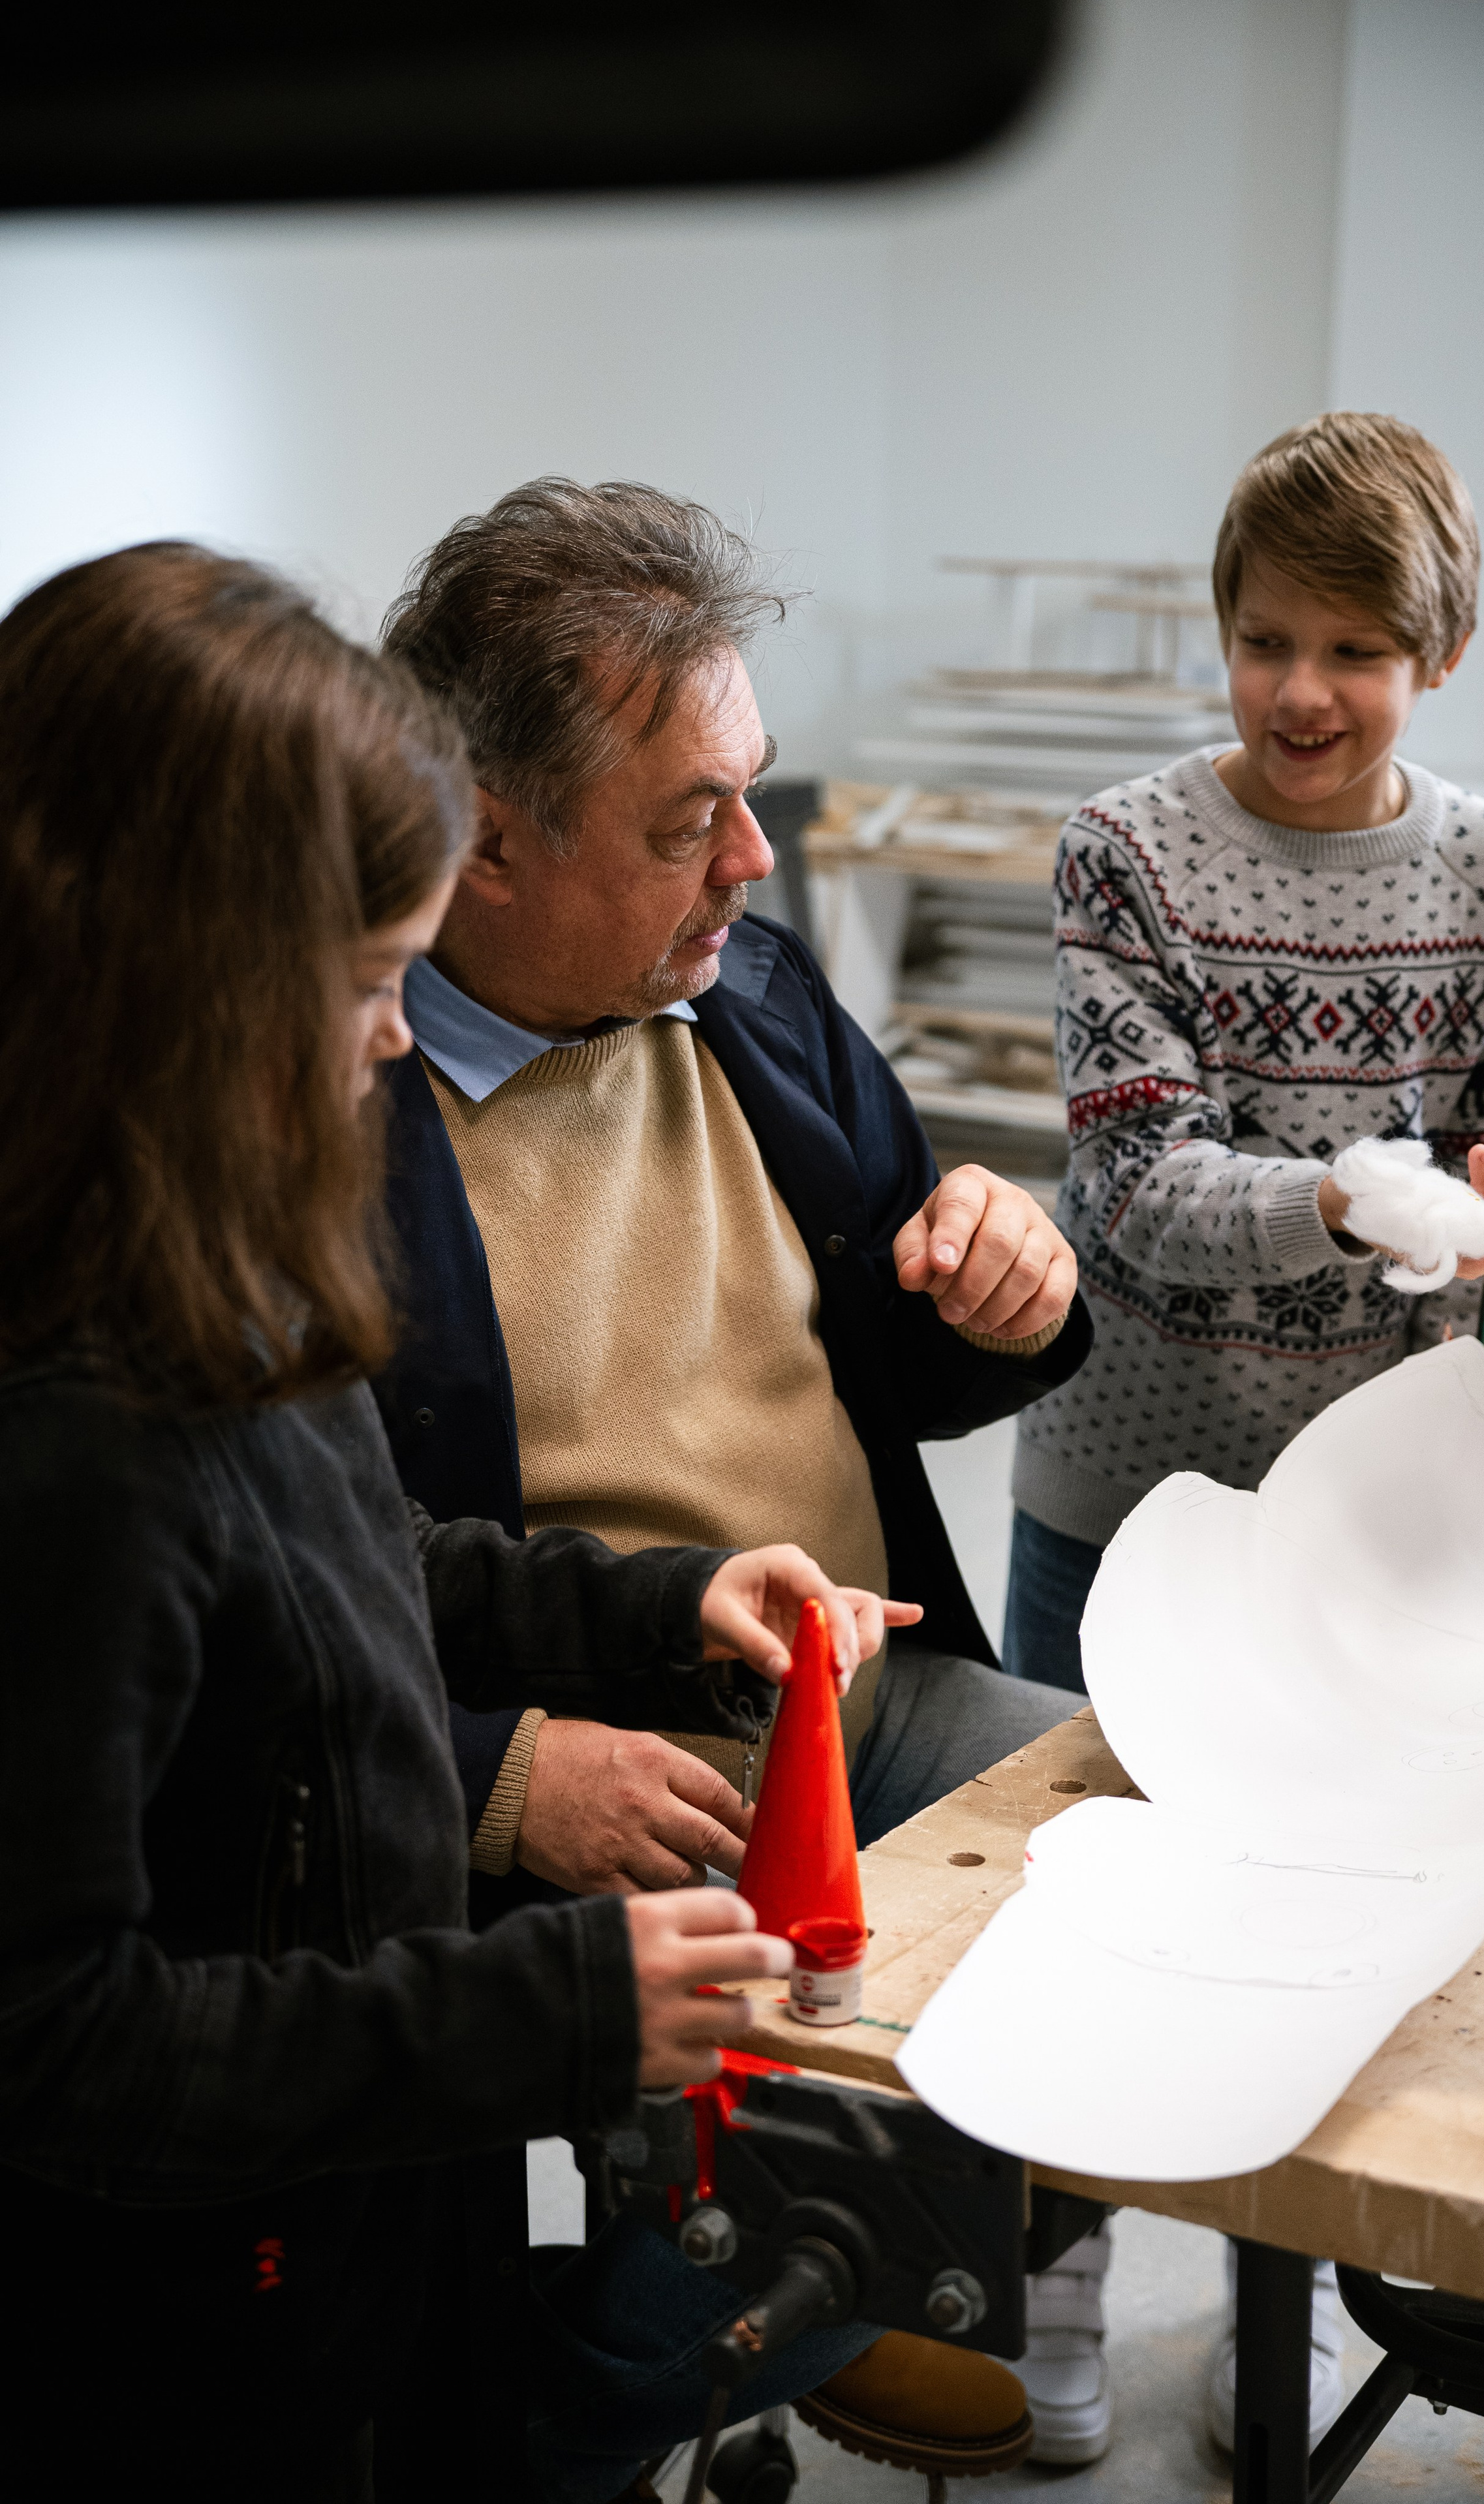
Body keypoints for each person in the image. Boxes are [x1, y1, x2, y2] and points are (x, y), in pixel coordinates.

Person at [0, 543, 906, 2494]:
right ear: (162, 982)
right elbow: (60, 2042)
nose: (398, 1037)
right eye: (357, 986)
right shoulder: (68, 1434)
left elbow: (355, 1564)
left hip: (361, 2200)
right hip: (191, 2322)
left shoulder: (212, 1230)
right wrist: (554, 2004)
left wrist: (652, 1606)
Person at [373, 478, 1097, 2465]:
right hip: (610, 1773)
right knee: (798, 2126)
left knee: (1168, 1896)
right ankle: (612, 2402)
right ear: (484, 843)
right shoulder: (331, 1107)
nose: (754, 860)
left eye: (751, 791)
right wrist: (502, 1771)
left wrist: (1004, 1293)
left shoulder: (744, 992)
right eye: (689, 817)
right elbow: (290, 1572)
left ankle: (811, 2282)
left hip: (863, 1688)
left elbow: (901, 1359)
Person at [1006, 410, 1484, 2451]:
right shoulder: (1123, 851)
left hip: (1364, 1518)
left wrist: (1474, 1241)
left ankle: (1275, 2293)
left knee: (1316, 1929)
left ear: (1439, 654)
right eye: (1263, 642)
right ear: (1218, 631)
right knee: (1088, 1910)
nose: (1301, 692)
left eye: (1354, 652)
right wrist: (1338, 1196)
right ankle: (1054, 2279)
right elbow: (1135, 1186)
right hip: (1126, 1486)